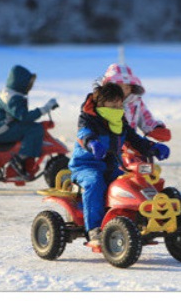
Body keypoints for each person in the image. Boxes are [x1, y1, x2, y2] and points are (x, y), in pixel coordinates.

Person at [68, 83, 167, 250]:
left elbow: (134, 139)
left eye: (120, 104)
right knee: (95, 182)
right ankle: (94, 229)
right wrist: (92, 143)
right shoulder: (88, 119)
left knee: (131, 184)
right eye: (113, 105)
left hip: (111, 166)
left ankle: (140, 220)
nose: (117, 108)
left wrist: (153, 147)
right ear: (101, 104)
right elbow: (84, 134)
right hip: (86, 166)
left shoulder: (119, 121)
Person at [0, 64, 58, 181]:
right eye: (29, 83)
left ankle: (25, 159)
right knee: (34, 129)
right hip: (2, 130)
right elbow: (23, 117)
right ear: (20, 82)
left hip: (1, 128)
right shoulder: (12, 97)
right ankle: (20, 161)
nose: (30, 86)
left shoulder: (10, 93)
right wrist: (44, 109)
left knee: (34, 127)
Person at [100, 63, 171, 141]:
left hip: (131, 142)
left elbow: (146, 118)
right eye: (119, 87)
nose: (123, 91)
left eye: (127, 87)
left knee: (150, 150)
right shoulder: (104, 103)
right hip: (108, 143)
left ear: (132, 88)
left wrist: (155, 129)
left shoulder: (135, 101)